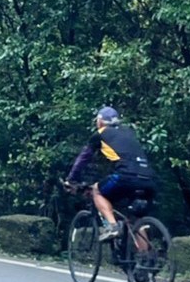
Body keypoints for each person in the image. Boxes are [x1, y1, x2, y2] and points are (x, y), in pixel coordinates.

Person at [63, 106, 158, 247]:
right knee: (136, 219)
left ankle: (112, 226)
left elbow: (83, 159)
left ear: (100, 122)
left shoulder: (100, 134)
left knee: (97, 190)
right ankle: (146, 259)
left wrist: (71, 179)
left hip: (126, 176)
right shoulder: (129, 132)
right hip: (149, 179)